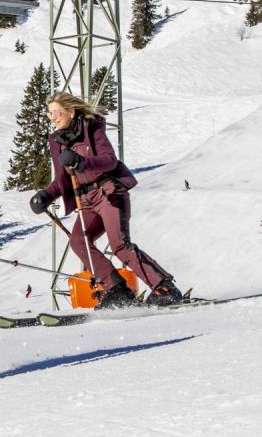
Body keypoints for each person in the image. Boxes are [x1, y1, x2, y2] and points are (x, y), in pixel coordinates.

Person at [29, 92, 183, 309]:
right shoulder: (57, 142)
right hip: (87, 200)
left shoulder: (92, 128)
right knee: (78, 241)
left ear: (71, 112)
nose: (52, 117)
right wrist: (45, 195)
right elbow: (62, 179)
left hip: (109, 192)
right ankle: (117, 290)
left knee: (119, 244)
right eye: (49, 113)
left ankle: (164, 287)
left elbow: (109, 161)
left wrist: (82, 163)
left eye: (56, 112)